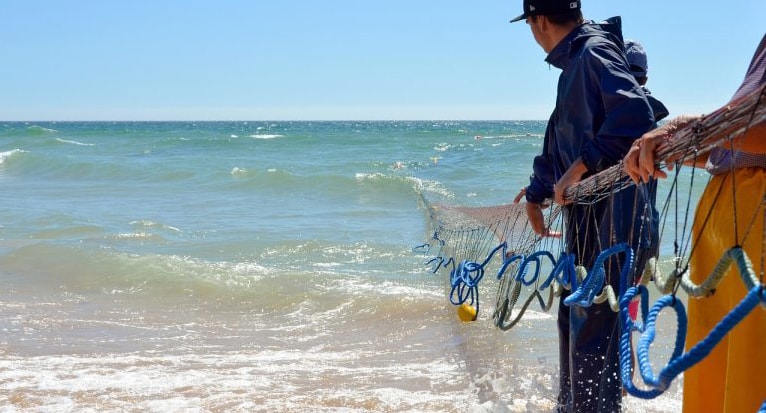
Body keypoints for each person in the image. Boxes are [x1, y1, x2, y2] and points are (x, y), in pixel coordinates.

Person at [509, 1, 659, 411]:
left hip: (616, 225)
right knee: (575, 322)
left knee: (596, 332)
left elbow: (636, 115)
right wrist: (538, 191)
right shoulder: (576, 61)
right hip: (589, 225)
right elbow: (564, 136)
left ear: (539, 21)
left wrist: (581, 165)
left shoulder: (592, 51)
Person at [623, 33, 766, 413]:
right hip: (726, 232)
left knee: (748, 385)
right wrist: (679, 144)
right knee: (716, 385)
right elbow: (739, 142)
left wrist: (690, 128)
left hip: (755, 230)